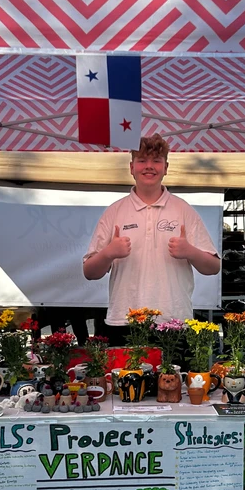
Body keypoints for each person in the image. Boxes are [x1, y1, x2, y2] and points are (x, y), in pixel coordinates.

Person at [83, 134, 220, 343]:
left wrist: (190, 252)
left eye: (156, 161)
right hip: (124, 323)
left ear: (166, 167)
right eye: (142, 161)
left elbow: (213, 267)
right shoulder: (114, 212)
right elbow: (89, 272)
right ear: (131, 167)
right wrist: (108, 253)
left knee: (174, 377)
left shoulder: (183, 210)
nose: (149, 166)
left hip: (174, 322)